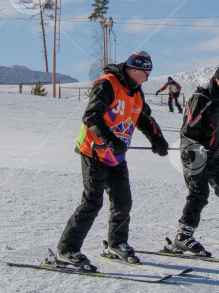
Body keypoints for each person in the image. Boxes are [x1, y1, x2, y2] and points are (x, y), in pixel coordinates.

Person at [56, 50, 170, 267]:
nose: (148, 78)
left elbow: (144, 118)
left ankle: (116, 244)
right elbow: (91, 116)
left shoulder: (136, 91)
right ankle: (67, 249)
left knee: (122, 201)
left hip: (116, 155)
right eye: (146, 73)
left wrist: (157, 139)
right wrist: (109, 139)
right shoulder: (107, 84)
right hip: (94, 150)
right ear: (135, 70)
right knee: (92, 202)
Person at [171, 62, 219, 255]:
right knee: (199, 192)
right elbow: (188, 130)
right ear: (217, 80)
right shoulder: (202, 98)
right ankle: (183, 236)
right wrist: (196, 152)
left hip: (214, 155)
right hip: (194, 153)